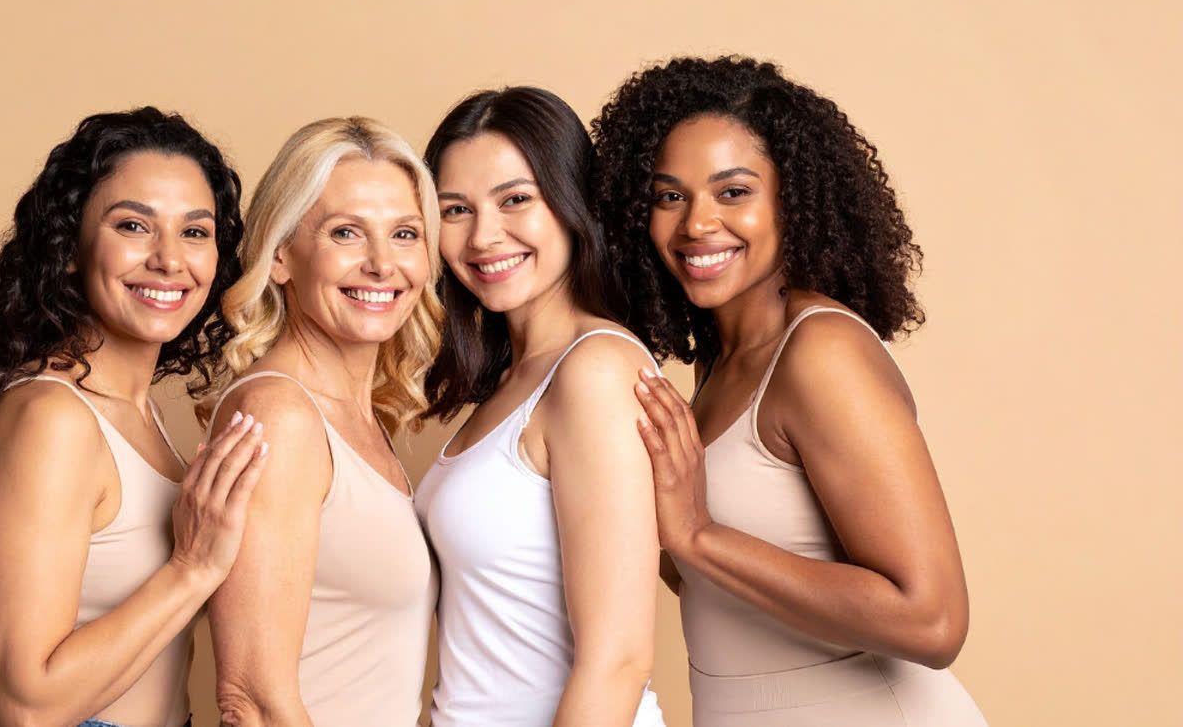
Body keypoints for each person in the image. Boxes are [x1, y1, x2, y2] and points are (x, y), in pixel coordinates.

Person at [593, 55, 988, 726]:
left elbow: (934, 620)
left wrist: (695, 534)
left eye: (734, 191)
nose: (695, 224)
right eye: (669, 196)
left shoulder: (818, 353)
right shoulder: (720, 363)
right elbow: (723, 586)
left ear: (793, 200)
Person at [0, 107, 265, 727]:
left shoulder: (135, 413)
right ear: (68, 248)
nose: (170, 259)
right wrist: (194, 568)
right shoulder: (51, 418)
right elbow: (25, 708)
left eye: (195, 232)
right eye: (134, 226)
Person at [414, 87, 667, 726]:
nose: (483, 236)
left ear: (570, 202)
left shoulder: (595, 371)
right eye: (455, 209)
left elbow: (618, 660)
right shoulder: (513, 379)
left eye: (515, 199)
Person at [199, 117, 441, 727]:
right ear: (281, 256)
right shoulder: (279, 415)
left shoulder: (356, 417)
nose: (383, 264)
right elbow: (250, 699)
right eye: (346, 233)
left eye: (405, 233)